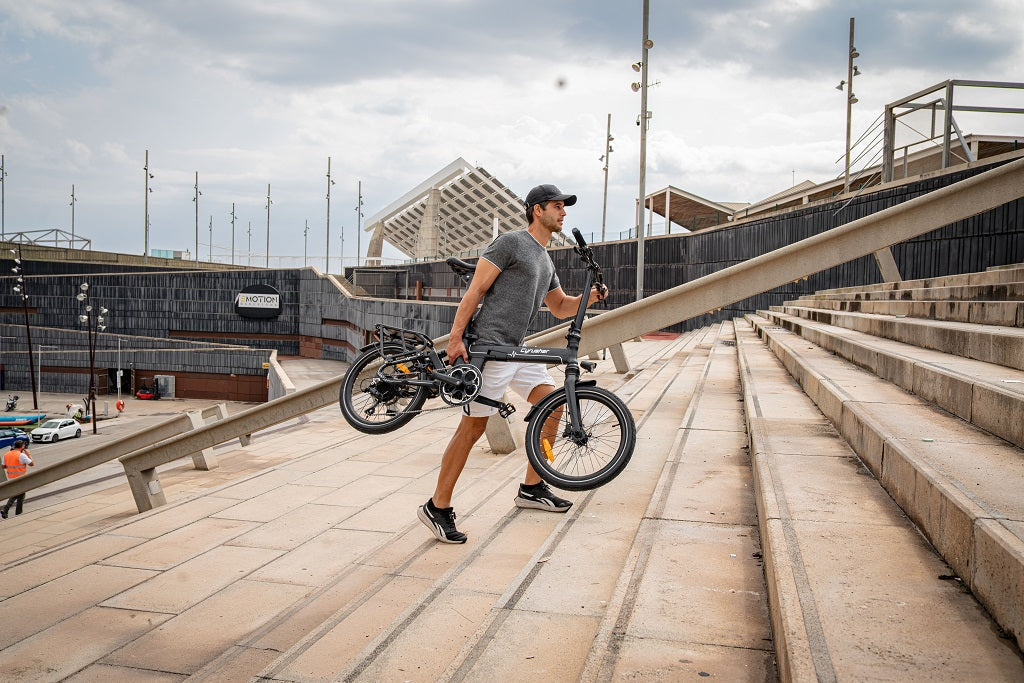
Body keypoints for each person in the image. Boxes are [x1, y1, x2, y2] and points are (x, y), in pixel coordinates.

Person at [418, 184, 608, 544]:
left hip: (518, 351)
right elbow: (474, 291)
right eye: (557, 206)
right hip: (490, 349)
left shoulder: (545, 258)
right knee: (471, 430)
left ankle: (532, 488)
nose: (563, 213)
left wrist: (590, 297)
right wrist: (456, 338)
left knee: (553, 406)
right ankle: (437, 506)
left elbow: (560, 307)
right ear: (537, 210)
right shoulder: (510, 242)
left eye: (563, 207)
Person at [1, 439, 34, 518]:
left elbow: (3, 466)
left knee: (18, 495)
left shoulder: (6, 454)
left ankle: (12, 512)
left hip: (11, 479)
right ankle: (10, 511)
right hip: (20, 479)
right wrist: (28, 454)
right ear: (22, 447)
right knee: (19, 495)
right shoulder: (21, 455)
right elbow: (32, 464)